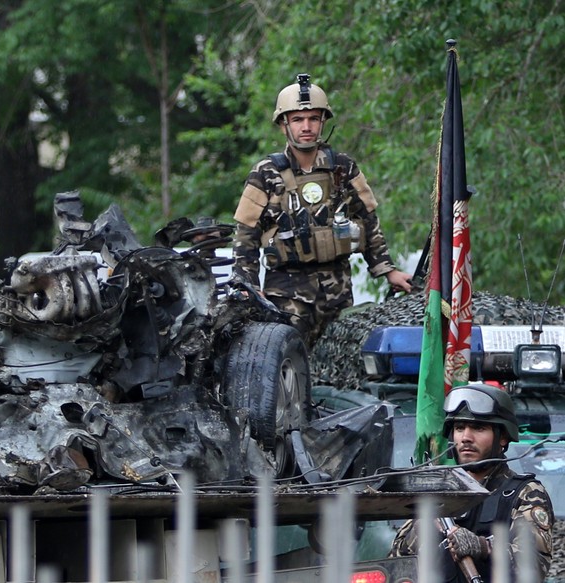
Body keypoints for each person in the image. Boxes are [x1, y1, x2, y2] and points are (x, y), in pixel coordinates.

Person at [232, 74, 412, 346]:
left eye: (313, 119)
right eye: (297, 119)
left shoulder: (343, 167)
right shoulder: (265, 173)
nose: (307, 127)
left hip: (338, 292)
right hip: (286, 296)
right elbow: (245, 236)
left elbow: (367, 221)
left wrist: (388, 270)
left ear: (323, 122)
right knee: (288, 372)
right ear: (284, 125)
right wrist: (248, 287)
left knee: (339, 369)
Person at [389, 383, 554, 581]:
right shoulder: (439, 492)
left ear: (502, 437)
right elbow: (396, 564)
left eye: (478, 428)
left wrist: (483, 547)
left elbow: (533, 567)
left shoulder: (524, 493)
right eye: (459, 428)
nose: (466, 437)